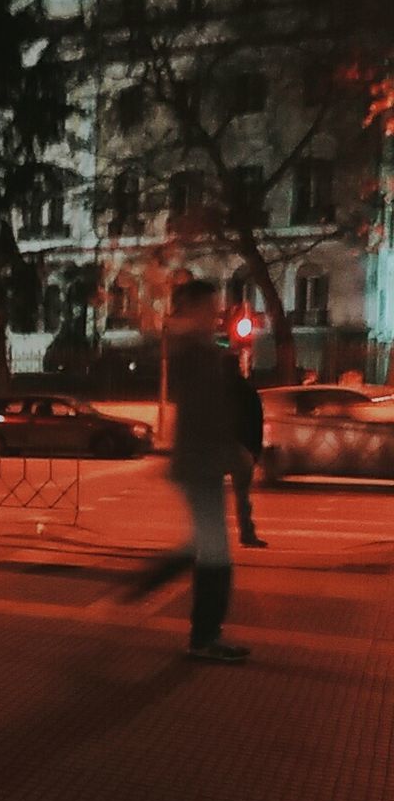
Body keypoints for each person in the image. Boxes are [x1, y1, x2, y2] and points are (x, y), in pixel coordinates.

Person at [128, 280, 249, 661]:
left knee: (203, 546)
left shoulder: (198, 347)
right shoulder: (194, 350)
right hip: (201, 462)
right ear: (193, 306)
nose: (217, 313)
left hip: (201, 461)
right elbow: (203, 411)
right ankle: (204, 637)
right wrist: (232, 451)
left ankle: (149, 584)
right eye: (210, 305)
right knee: (216, 555)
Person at [225, 357, 267, 548]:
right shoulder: (247, 390)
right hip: (242, 448)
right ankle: (247, 533)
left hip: (219, 445)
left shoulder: (213, 391)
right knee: (242, 495)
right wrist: (255, 451)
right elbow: (257, 420)